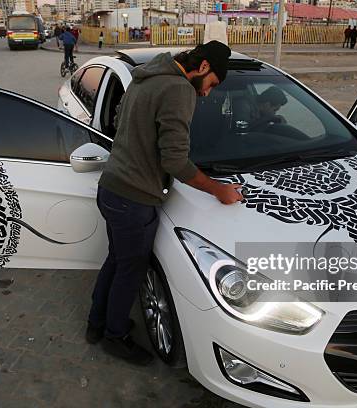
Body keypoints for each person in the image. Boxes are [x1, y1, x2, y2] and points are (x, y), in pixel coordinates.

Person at [85, 40, 241, 366]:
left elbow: (119, 119)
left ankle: (96, 324)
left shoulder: (146, 78)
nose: (206, 94)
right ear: (202, 68)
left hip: (111, 189)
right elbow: (176, 162)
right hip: (133, 199)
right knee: (130, 270)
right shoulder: (178, 90)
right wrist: (218, 190)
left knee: (116, 261)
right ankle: (115, 335)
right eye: (211, 85)